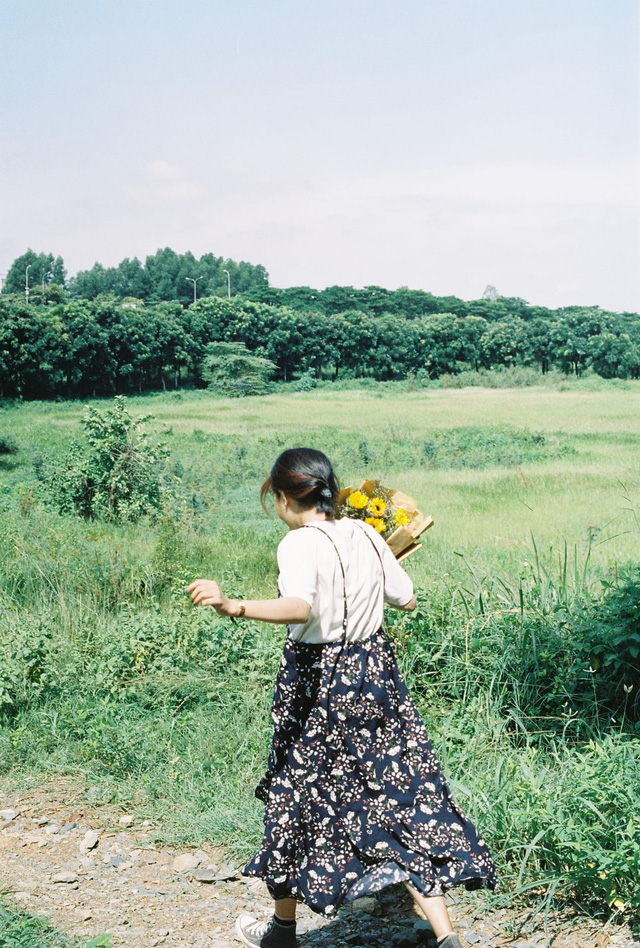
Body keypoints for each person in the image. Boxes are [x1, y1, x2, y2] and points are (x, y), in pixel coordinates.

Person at [188, 448, 497, 948]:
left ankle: (282, 932)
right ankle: (446, 937)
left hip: (318, 680)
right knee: (401, 792)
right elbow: (408, 599)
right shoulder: (366, 533)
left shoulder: (298, 544)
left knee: (296, 793)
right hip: (374, 674)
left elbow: (299, 607)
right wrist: (369, 567)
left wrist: (234, 605)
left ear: (286, 497)